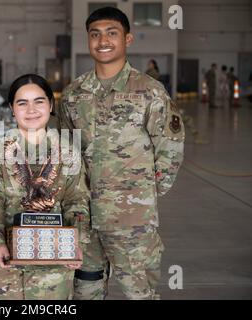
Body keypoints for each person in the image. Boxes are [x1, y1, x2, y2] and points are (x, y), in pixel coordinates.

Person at [59, 7, 185, 300]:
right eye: (95, 34)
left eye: (111, 33)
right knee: (84, 291)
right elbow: (66, 152)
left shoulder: (149, 91)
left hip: (132, 222)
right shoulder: (74, 94)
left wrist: (144, 194)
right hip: (84, 219)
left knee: (138, 293)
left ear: (127, 39)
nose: (103, 40)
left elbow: (170, 147)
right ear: (88, 40)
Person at [0, 74, 91, 299]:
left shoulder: (68, 152)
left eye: (39, 101)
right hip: (3, 267)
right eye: (22, 103)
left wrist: (77, 242)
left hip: (53, 266)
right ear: (11, 108)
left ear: (50, 104)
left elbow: (77, 202)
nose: (31, 110)